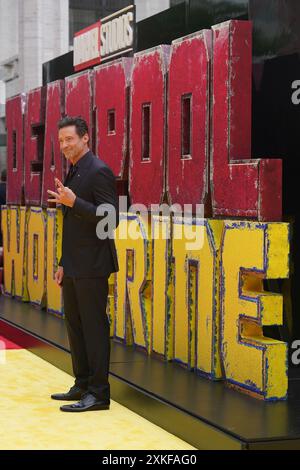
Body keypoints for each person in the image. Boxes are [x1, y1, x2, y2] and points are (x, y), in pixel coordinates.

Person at [48, 116, 119, 412]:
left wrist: (74, 202)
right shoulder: (75, 170)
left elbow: (111, 218)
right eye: (61, 141)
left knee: (93, 328)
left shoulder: (99, 170)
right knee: (75, 327)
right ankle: (82, 384)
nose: (65, 145)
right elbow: (73, 227)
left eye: (70, 140)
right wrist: (63, 262)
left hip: (94, 264)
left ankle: (99, 394)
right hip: (75, 265)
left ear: (86, 138)